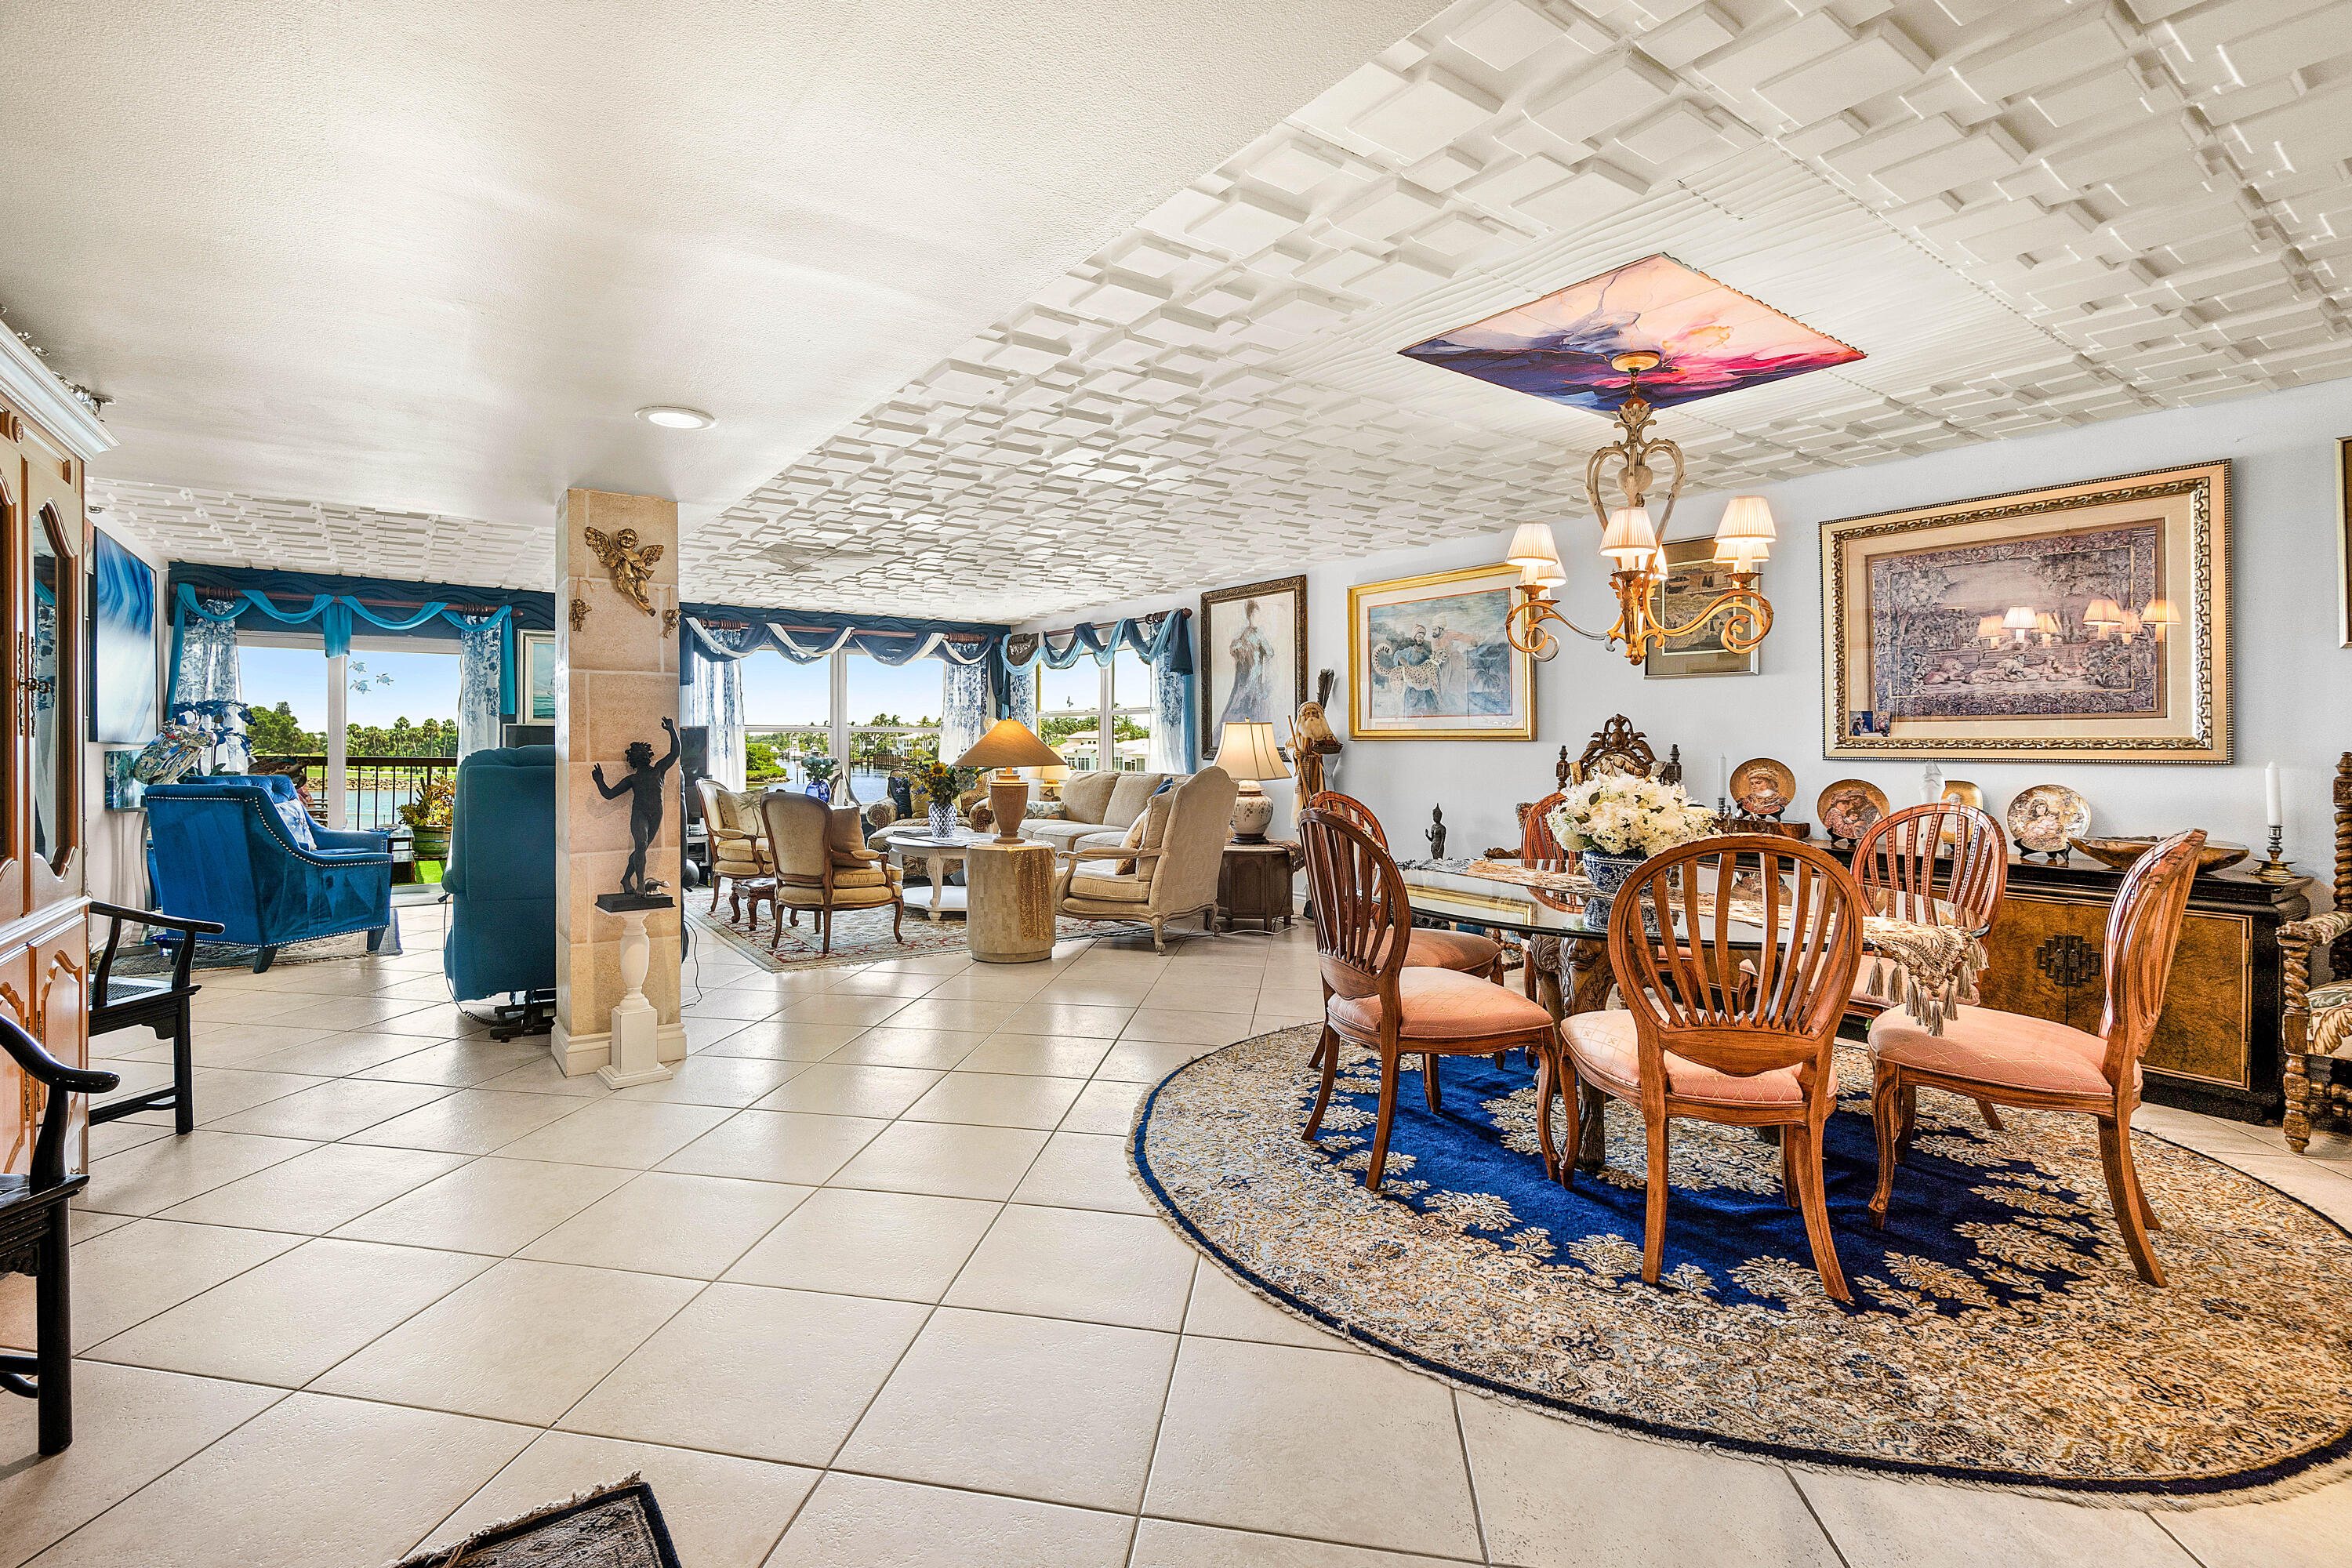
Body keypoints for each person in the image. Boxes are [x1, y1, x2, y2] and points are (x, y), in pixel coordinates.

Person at [592, 717, 680, 897]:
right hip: (640, 813)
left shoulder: (659, 770)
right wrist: (599, 781)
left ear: (648, 755)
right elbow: (609, 794)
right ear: (633, 759)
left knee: (642, 848)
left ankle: (625, 879)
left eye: (643, 752)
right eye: (637, 753)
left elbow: (675, 752)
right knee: (641, 844)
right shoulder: (632, 779)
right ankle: (640, 884)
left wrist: (671, 730)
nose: (641, 755)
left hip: (656, 814)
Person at [1219, 600, 1276, 730]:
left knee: (1252, 702)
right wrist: (1246, 649)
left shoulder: (1255, 634)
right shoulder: (1247, 634)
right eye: (1254, 615)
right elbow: (1234, 647)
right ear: (1249, 616)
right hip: (1247, 675)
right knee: (1244, 701)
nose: (1256, 618)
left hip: (1254, 674)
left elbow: (1270, 652)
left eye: (1257, 616)